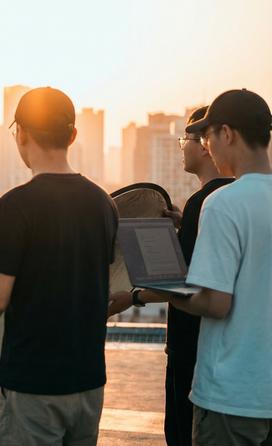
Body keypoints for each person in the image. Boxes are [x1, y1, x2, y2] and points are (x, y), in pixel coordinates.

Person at [0, 87, 118, 446]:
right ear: (72, 135)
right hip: (88, 382)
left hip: (33, 383)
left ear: (20, 134)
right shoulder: (103, 203)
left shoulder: (16, 206)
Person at [108, 106, 233, 446]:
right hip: (225, 355)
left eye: (187, 140)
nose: (183, 147)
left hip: (192, 347)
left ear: (207, 144)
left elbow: (184, 283)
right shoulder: (227, 199)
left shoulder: (203, 203)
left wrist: (130, 298)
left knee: (182, 434)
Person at [169, 89, 272, 445]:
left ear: (226, 134)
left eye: (208, 136)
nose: (207, 146)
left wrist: (170, 289)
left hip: (232, 398)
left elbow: (215, 302)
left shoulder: (222, 203)